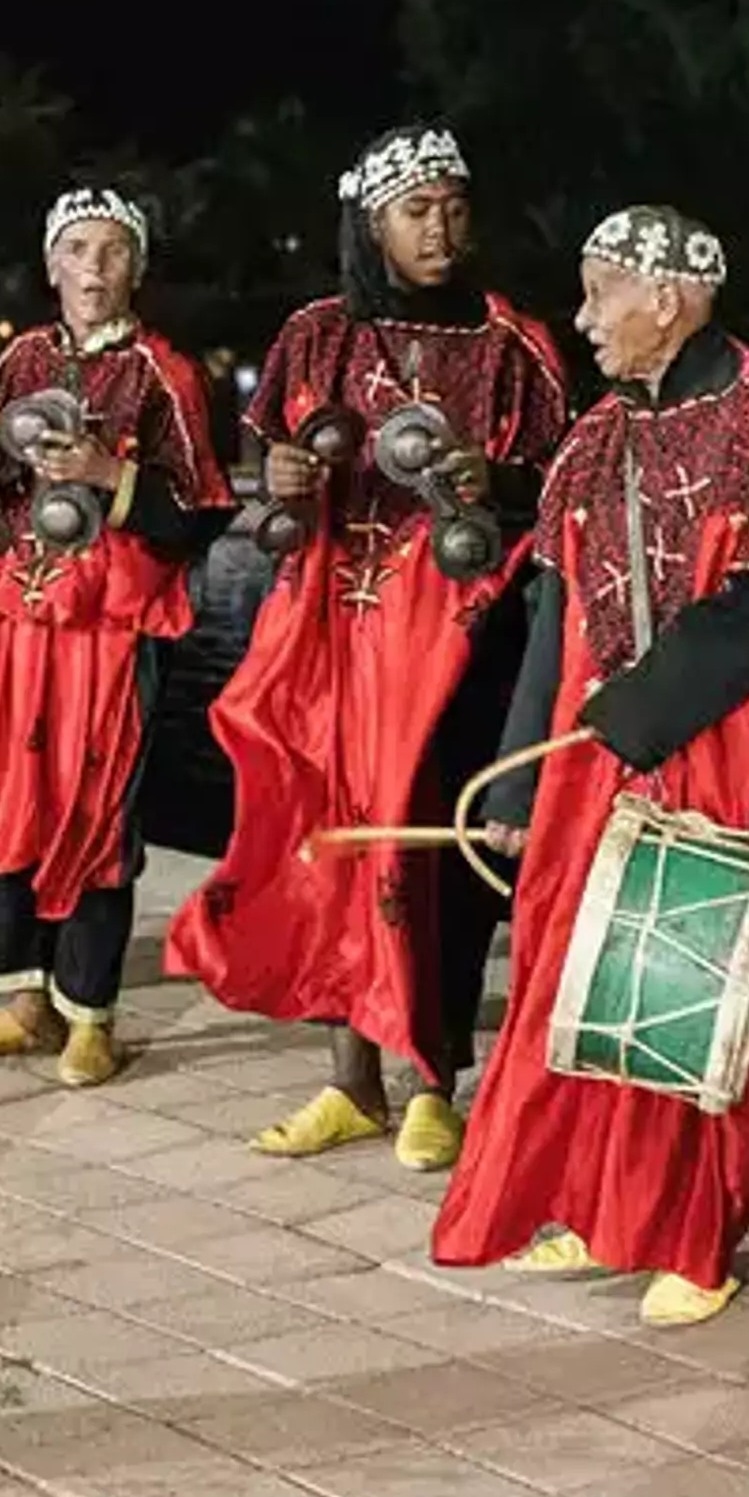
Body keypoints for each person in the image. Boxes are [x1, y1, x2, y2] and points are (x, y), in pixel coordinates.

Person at [429, 204, 749, 1329]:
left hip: (723, 745)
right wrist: (517, 784)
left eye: (599, 289)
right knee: (579, 982)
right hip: (598, 746)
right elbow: (556, 612)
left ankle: (695, 1237)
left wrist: (637, 717)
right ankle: (602, 1209)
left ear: (666, 295)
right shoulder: (596, 433)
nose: (582, 316)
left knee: (696, 1000)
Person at [168, 123, 573, 1171]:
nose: (439, 227)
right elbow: (272, 468)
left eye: (452, 205)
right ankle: (350, 1075)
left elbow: (564, 484)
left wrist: (502, 482)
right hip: (336, 636)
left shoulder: (511, 339)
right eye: (415, 209)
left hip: (462, 640)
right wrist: (284, 483)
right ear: (371, 222)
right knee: (334, 839)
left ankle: (434, 1073)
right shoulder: (317, 335)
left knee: (441, 852)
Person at [0, 188, 231, 1083]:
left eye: (112, 251)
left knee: (96, 809)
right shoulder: (18, 358)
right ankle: (23, 1003)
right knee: (4, 795)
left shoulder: (166, 372)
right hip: (12, 616)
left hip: (107, 626)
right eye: (77, 250)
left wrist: (108, 472)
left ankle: (90, 1012)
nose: (94, 268)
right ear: (51, 264)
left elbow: (203, 511)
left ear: (138, 265)